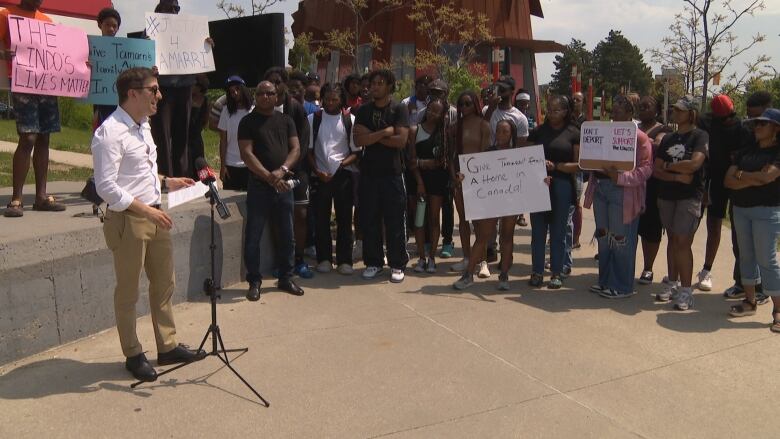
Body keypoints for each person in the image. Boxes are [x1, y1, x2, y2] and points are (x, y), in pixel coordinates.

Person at [92, 67, 206, 382]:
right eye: (153, 90)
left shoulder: (143, 125)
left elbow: (139, 174)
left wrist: (168, 182)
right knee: (128, 292)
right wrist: (147, 212)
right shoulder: (109, 132)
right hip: (129, 220)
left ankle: (167, 345)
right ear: (133, 93)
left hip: (154, 215)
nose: (159, 95)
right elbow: (106, 187)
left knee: (164, 284)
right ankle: (132, 353)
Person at [238, 81, 305, 301]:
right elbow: (247, 155)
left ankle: (286, 277)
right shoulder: (247, 122)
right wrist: (270, 177)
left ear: (277, 96)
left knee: (288, 235)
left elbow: (296, 148)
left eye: (270, 93)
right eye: (261, 93)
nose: (265, 96)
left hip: (283, 186)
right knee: (253, 237)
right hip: (259, 188)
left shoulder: (286, 120)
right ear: (255, 96)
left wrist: (283, 170)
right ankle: (254, 281)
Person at [2, 0, 67, 217]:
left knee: (44, 137)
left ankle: (41, 197)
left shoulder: (46, 22)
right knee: (28, 137)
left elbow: (58, 53)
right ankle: (16, 199)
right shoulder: (6, 15)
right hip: (22, 81)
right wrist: (4, 54)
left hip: (46, 84)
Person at [583, 96, 653, 299]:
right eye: (613, 110)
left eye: (619, 111)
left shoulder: (639, 138)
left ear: (630, 114)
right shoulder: (604, 132)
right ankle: (605, 280)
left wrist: (621, 177)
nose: (614, 114)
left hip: (623, 192)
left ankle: (622, 285)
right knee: (604, 237)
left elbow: (647, 169)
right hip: (601, 189)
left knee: (621, 239)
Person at [724, 108, 780, 331]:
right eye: (756, 124)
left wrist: (742, 176)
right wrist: (753, 178)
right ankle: (750, 301)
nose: (757, 127)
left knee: (767, 260)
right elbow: (728, 180)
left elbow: (769, 177)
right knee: (746, 256)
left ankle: (778, 310)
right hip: (741, 209)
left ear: (776, 128)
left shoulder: (778, 152)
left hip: (767, 211)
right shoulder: (747, 150)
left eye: (762, 124)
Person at [353, 69, 410, 283]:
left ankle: (397, 263)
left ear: (389, 86)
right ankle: (374, 262)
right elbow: (358, 140)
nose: (374, 87)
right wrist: (384, 133)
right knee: (370, 219)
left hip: (393, 173)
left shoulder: (399, 109)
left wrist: (371, 137)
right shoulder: (363, 110)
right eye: (373, 83)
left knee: (395, 219)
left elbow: (401, 141)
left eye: (379, 83)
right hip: (369, 173)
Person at [653, 96, 708, 310]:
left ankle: (686, 291)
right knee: (672, 240)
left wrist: (670, 167)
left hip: (689, 196)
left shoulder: (700, 136)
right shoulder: (667, 138)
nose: (675, 112)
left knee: (683, 242)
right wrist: (675, 173)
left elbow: (694, 164)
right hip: (667, 195)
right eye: (674, 109)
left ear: (691, 114)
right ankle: (673, 282)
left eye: (680, 110)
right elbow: (657, 169)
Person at [453, 119, 522, 291]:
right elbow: (477, 175)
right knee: (482, 237)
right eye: (498, 131)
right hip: (491, 201)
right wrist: (464, 177)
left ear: (512, 134)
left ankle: (504, 275)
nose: (500, 135)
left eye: (505, 132)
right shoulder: (488, 153)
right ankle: (468, 275)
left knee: (507, 237)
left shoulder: (519, 156)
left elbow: (528, 178)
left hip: (510, 203)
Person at [150, 0, 213, 178]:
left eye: (176, 8)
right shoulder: (151, 29)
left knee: (182, 136)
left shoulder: (188, 29)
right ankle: (166, 177)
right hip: (163, 90)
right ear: (160, 8)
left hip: (184, 88)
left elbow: (199, 57)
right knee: (162, 135)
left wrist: (205, 46)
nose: (173, 11)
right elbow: (141, 55)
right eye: (170, 7)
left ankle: (181, 177)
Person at [693, 94, 746, 291]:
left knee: (723, 227)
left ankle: (707, 270)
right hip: (708, 179)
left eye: (731, 115)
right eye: (724, 118)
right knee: (692, 224)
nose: (729, 119)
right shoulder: (706, 123)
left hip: (731, 181)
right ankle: (680, 267)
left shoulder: (740, 127)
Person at [264, 67, 314, 279]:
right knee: (277, 217)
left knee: (299, 215)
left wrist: (288, 168)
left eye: (278, 82)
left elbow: (302, 143)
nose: (274, 87)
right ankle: (281, 261)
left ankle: (299, 260)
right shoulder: (261, 110)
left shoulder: (296, 109)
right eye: (270, 82)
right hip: (272, 174)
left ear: (284, 83)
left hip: (296, 171)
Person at [527, 95, 580, 289]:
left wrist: (556, 166)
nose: (551, 112)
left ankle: (556, 272)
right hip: (539, 184)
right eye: (549, 109)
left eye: (556, 110)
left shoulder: (574, 133)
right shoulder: (538, 132)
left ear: (565, 112)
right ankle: (537, 271)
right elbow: (525, 159)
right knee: (538, 231)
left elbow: (578, 165)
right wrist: (540, 165)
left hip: (563, 185)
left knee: (559, 231)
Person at [308, 83, 358, 275]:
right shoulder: (313, 119)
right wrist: (317, 171)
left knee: (344, 218)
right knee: (321, 218)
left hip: (342, 174)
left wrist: (342, 165)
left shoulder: (350, 120)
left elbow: (356, 152)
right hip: (320, 176)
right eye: (327, 98)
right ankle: (324, 258)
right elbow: (309, 151)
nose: (330, 102)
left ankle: (345, 260)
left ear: (341, 100)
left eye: (334, 99)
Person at [450, 90, 491, 274]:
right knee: (463, 221)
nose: (464, 107)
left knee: (480, 223)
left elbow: (485, 155)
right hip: (459, 179)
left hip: (478, 180)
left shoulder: (484, 125)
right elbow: (451, 155)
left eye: (467, 103)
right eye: (461, 104)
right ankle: (467, 258)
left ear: (475, 104)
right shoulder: (454, 126)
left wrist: (479, 179)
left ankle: (482, 262)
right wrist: (454, 177)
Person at [408, 99, 449, 274]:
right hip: (419, 181)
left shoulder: (444, 133)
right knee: (419, 219)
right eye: (431, 110)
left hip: (438, 181)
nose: (434, 114)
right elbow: (411, 161)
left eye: (438, 112)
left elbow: (442, 161)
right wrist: (420, 181)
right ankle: (421, 258)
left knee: (434, 219)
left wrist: (422, 162)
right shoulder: (414, 130)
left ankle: (432, 257)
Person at [421, 79, 457, 259]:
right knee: (427, 208)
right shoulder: (423, 112)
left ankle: (448, 241)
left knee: (447, 206)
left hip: (447, 167)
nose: (435, 96)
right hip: (427, 169)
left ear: (446, 94)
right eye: (432, 92)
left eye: (439, 92)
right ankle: (428, 240)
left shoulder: (454, 114)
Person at [636, 96, 670, 285]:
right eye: (640, 106)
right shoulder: (633, 126)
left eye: (647, 106)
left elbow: (659, 143)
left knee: (651, 230)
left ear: (656, 110)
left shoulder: (664, 129)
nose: (642, 108)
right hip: (630, 183)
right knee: (630, 228)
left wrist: (638, 139)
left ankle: (648, 268)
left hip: (652, 185)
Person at [217, 75, 253, 191]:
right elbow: (223, 140)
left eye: (237, 89)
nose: (235, 93)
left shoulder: (253, 111)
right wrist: (223, 167)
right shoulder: (226, 112)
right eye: (232, 92)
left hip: (251, 165)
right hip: (231, 164)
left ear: (243, 89)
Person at [92, 7, 122, 128]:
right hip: (99, 99)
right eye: (107, 24)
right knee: (100, 131)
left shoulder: (125, 50)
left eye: (114, 26)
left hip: (119, 102)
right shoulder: (91, 47)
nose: (111, 29)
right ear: (100, 25)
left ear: (118, 28)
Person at [188, 74, 209, 172]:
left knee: (199, 168)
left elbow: (205, 121)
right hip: (184, 139)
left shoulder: (205, 101)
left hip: (196, 140)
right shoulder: (185, 99)